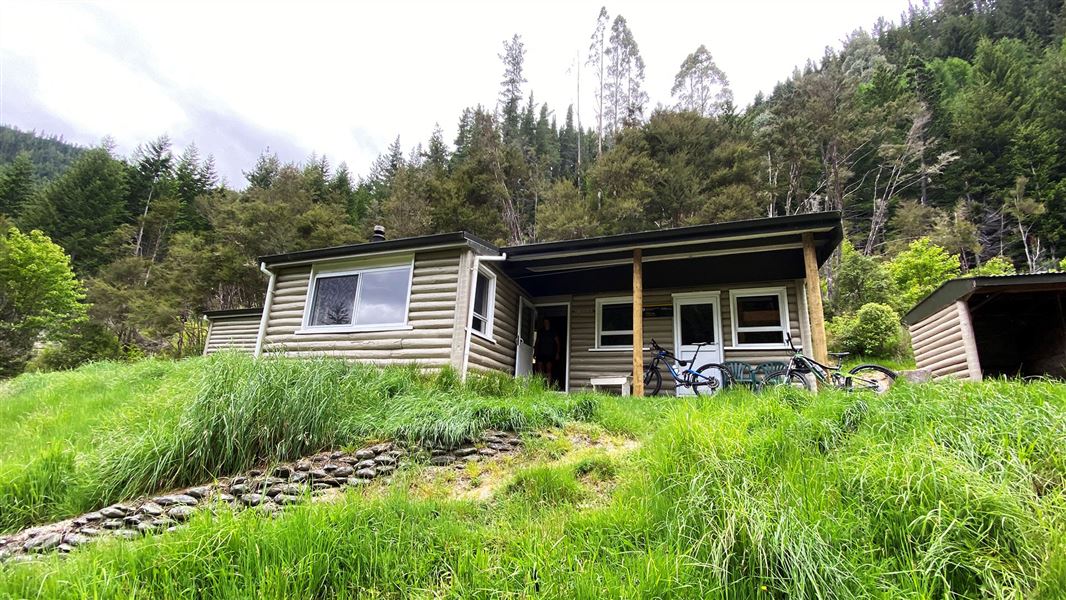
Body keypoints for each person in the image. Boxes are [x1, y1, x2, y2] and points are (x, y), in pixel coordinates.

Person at [534, 317, 561, 386]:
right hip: (541, 352)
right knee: (540, 369)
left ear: (549, 323)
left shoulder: (553, 331)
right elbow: (537, 342)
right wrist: (535, 352)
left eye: (547, 322)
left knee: (548, 369)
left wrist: (557, 353)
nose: (545, 323)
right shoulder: (541, 331)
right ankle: (539, 385)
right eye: (544, 322)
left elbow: (557, 343)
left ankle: (548, 386)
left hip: (550, 353)